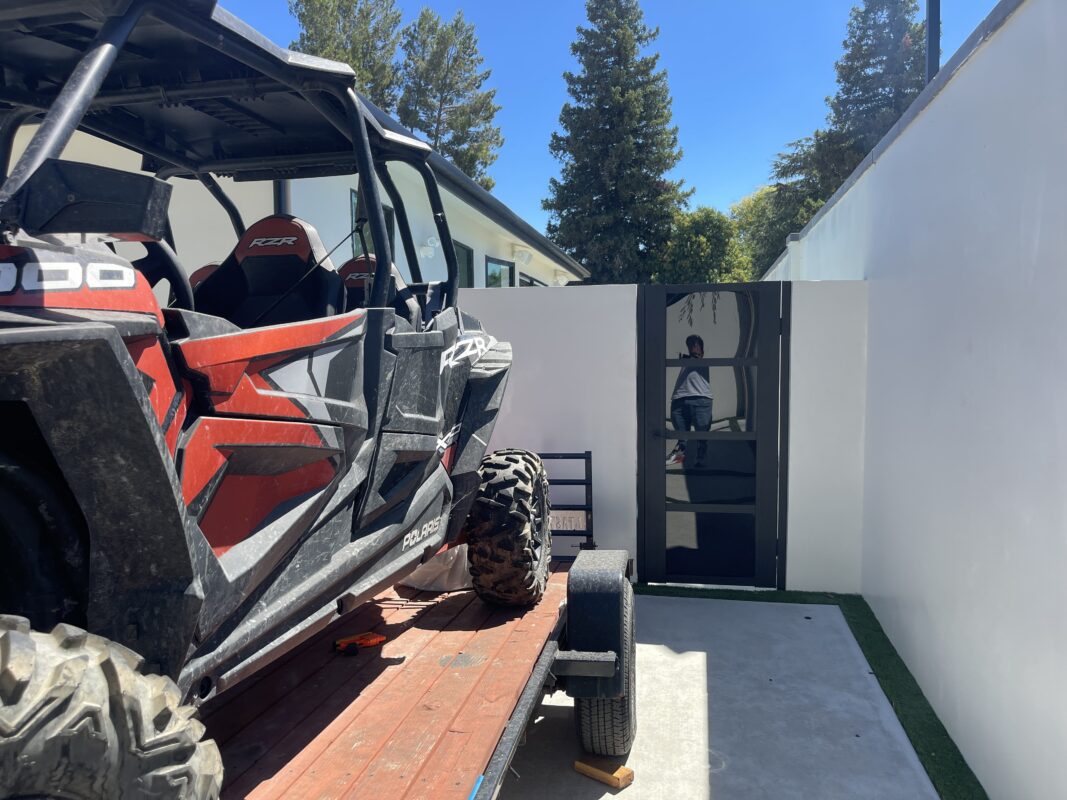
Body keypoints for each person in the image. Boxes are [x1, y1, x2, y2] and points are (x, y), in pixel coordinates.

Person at [666, 335, 713, 468]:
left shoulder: (704, 362)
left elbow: (695, 358)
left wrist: (689, 356)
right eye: (691, 345)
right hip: (679, 398)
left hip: (701, 399)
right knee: (681, 433)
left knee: (702, 432)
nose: (693, 347)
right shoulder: (685, 361)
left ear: (702, 351)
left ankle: (701, 455)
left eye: (696, 345)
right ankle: (679, 453)